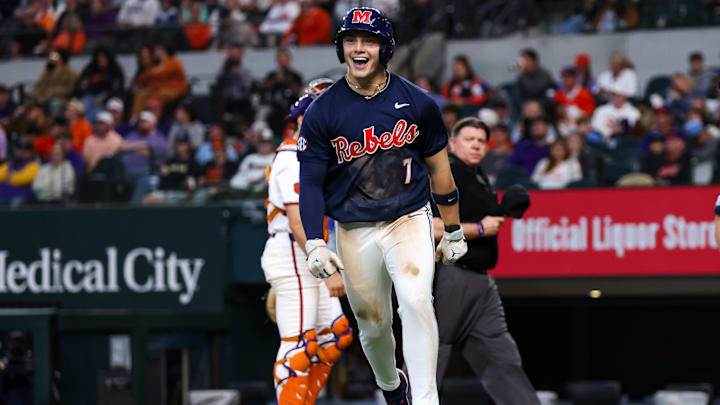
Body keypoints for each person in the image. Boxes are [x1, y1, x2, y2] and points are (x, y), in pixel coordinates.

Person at [297, 8, 467, 405]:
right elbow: (309, 184)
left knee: (416, 299)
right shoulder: (323, 110)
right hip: (353, 229)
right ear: (341, 48)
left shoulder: (418, 102)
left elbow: (441, 171)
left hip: (408, 218)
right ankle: (393, 388)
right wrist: (314, 242)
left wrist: (454, 228)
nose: (358, 48)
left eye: (368, 40)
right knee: (373, 326)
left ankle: (426, 400)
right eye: (350, 40)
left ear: (384, 47)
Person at [432, 117, 540, 405]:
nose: (477, 145)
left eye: (481, 141)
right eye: (470, 139)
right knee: (430, 356)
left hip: (481, 282)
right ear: (453, 143)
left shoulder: (476, 176)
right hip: (452, 275)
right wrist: (479, 229)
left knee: (502, 357)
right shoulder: (448, 173)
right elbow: (430, 226)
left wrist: (503, 210)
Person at [263, 91, 352, 405]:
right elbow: (298, 221)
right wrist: (327, 272)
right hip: (293, 251)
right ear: (301, 120)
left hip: (306, 254)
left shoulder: (313, 157)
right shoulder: (290, 159)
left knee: (335, 336)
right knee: (299, 347)